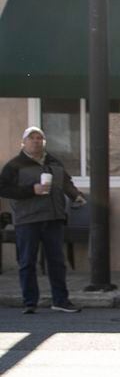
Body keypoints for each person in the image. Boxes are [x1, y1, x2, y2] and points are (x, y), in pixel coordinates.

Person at [0, 126, 86, 314]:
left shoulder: (53, 161)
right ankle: (30, 302)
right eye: (32, 138)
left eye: (40, 138)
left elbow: (65, 182)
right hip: (27, 220)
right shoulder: (15, 165)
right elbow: (3, 188)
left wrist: (75, 196)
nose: (36, 141)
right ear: (24, 142)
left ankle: (60, 300)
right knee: (27, 262)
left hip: (53, 218)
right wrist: (32, 190)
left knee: (56, 261)